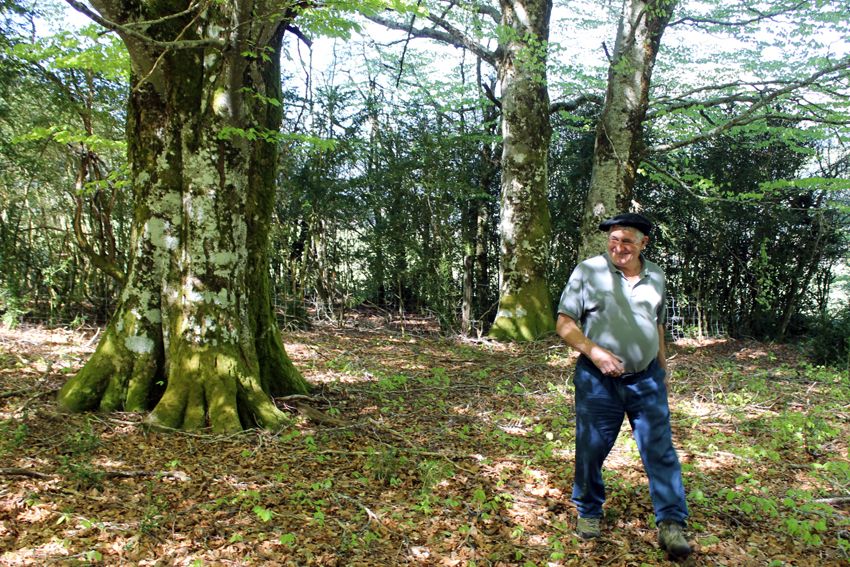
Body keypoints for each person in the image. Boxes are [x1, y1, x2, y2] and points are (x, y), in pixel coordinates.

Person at [556, 212, 691, 559]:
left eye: (627, 241)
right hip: (597, 380)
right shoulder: (589, 271)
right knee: (591, 449)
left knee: (660, 451)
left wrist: (662, 369)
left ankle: (672, 522)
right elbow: (565, 324)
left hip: (647, 381)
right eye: (614, 240)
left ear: (643, 243)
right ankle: (588, 510)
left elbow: (657, 326)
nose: (619, 247)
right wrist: (595, 352)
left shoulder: (657, 275)